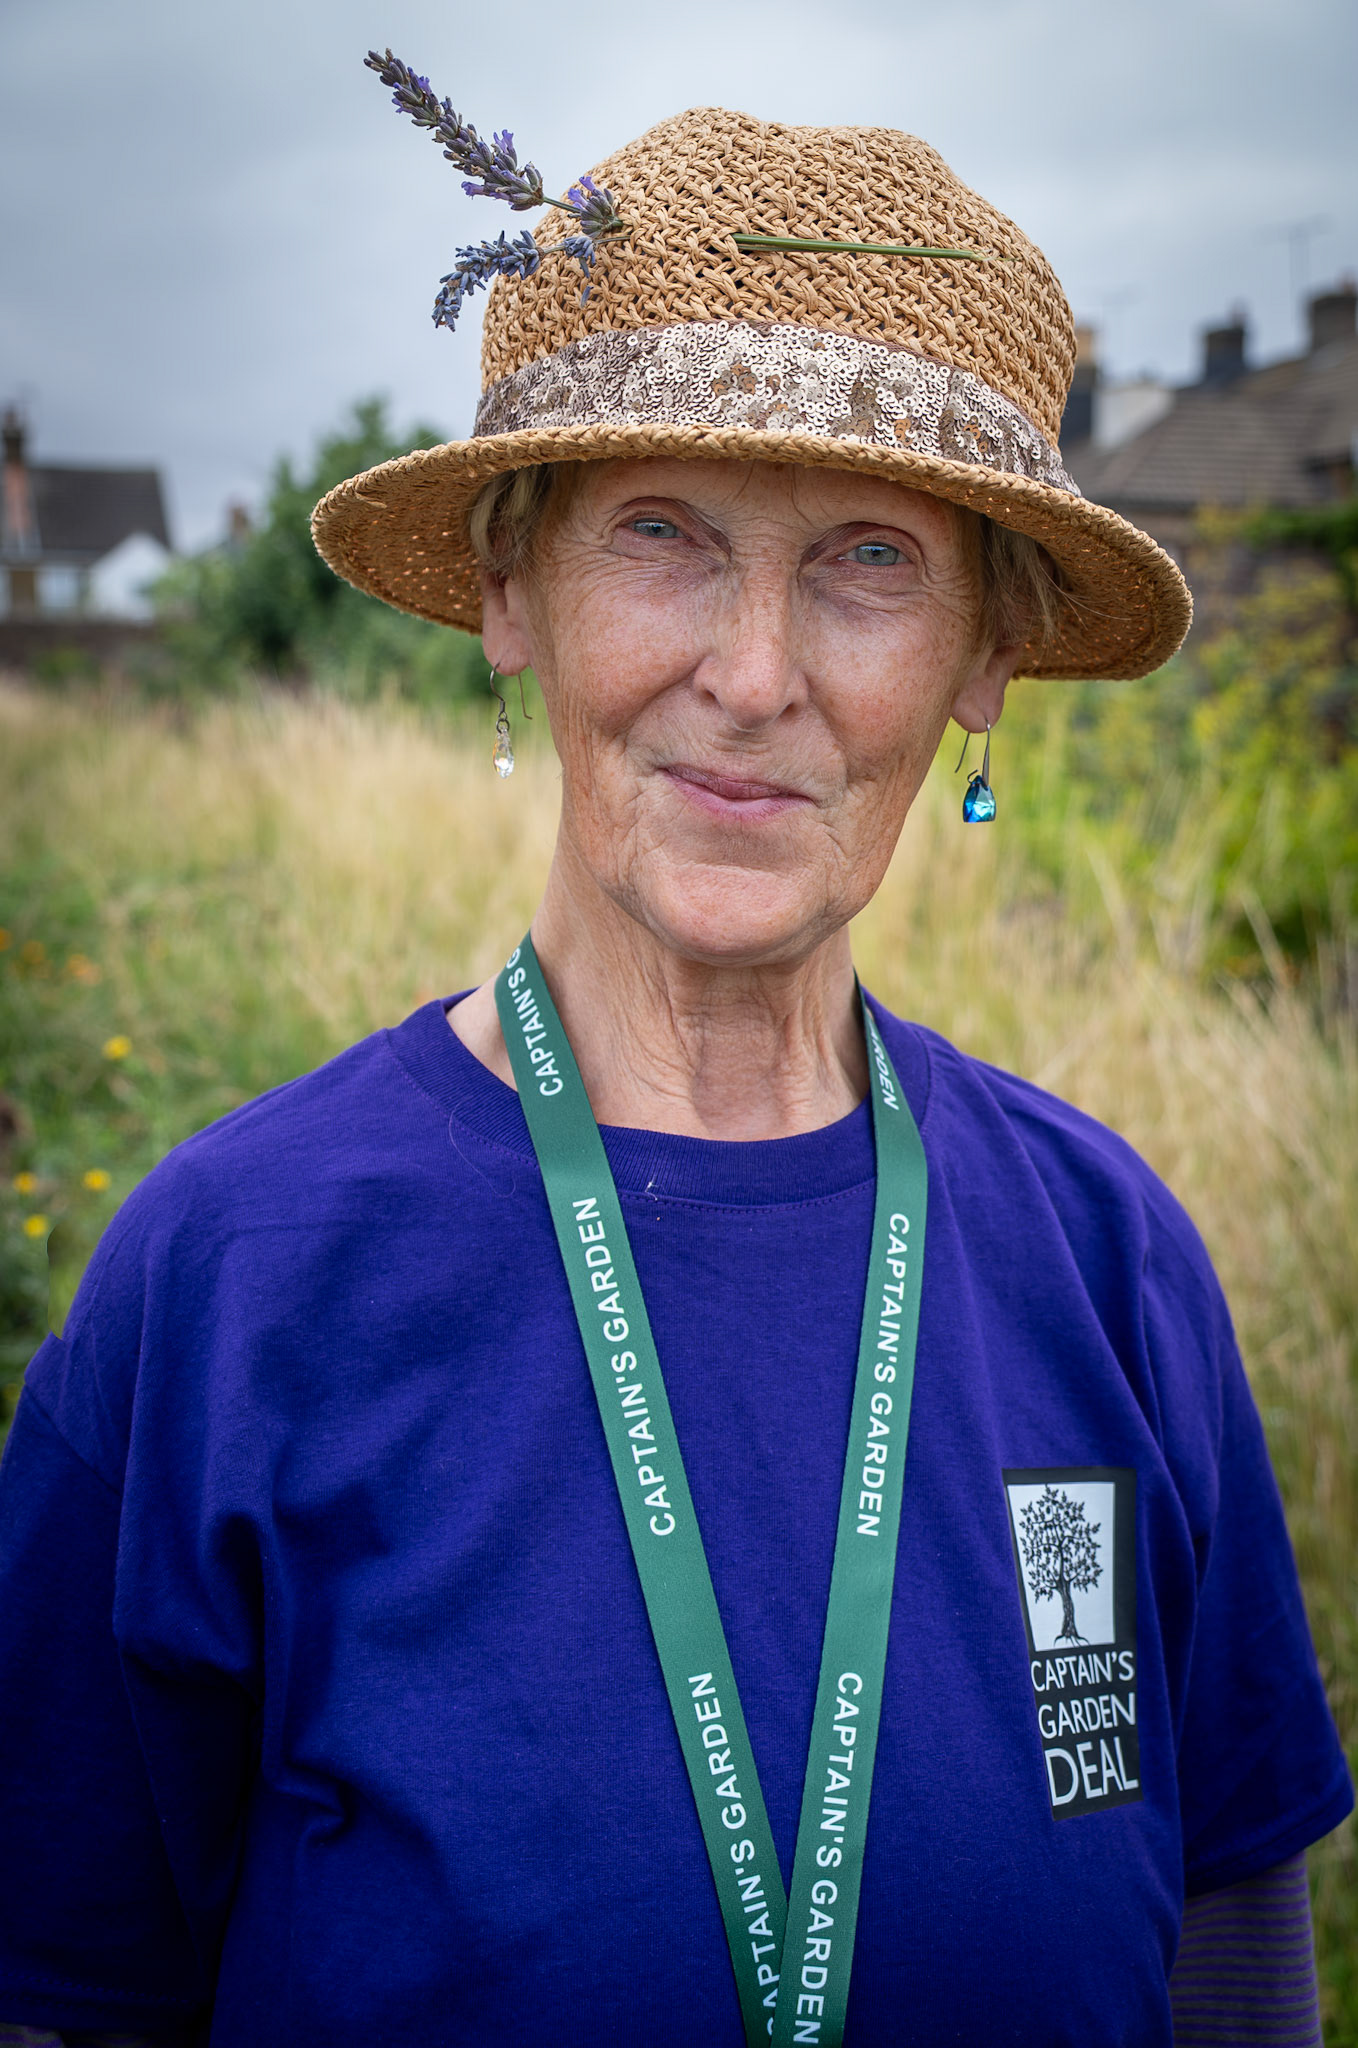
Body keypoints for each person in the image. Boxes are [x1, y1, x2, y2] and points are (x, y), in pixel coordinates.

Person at [0, 95, 1350, 2048]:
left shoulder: (1111, 1262)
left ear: (985, 655)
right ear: (510, 589)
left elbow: (1235, 1959)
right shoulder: (227, 1285)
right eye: (661, 534)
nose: (752, 673)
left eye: (871, 561)